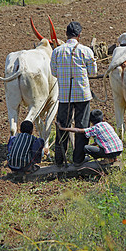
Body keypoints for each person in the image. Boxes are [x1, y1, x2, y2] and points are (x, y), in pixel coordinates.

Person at [51, 21, 97, 167]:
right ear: (79, 35)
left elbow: (54, 72)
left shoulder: (57, 51)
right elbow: (93, 72)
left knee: (62, 125)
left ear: (66, 34)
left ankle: (59, 160)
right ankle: (78, 159)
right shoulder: (86, 51)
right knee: (82, 125)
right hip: (82, 95)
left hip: (64, 96)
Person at [56, 109, 123, 165]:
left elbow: (78, 130)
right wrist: (93, 145)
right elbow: (105, 140)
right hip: (119, 149)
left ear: (91, 121)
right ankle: (114, 157)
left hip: (110, 152)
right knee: (93, 147)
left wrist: (62, 128)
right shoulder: (106, 124)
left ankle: (108, 159)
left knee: (86, 148)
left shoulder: (95, 128)